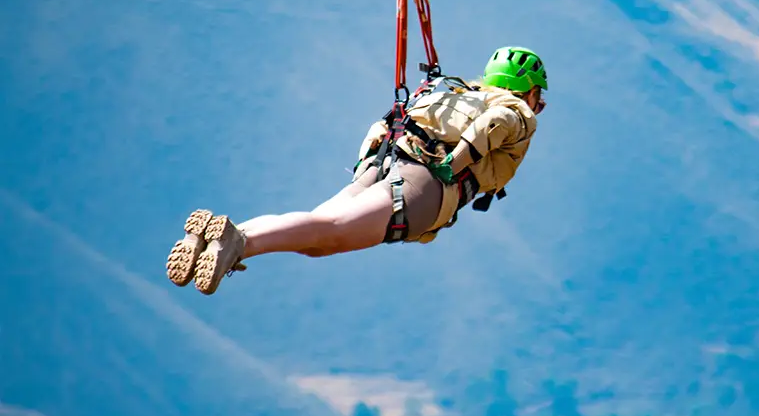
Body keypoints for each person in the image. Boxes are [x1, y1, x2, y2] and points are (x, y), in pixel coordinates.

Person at [165, 46, 548, 295]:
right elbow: (495, 124)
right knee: (331, 231)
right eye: (539, 95)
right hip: (425, 183)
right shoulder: (517, 112)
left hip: (385, 157)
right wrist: (454, 164)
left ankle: (220, 239)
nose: (539, 104)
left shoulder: (460, 93)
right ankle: (238, 241)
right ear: (528, 90)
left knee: (318, 237)